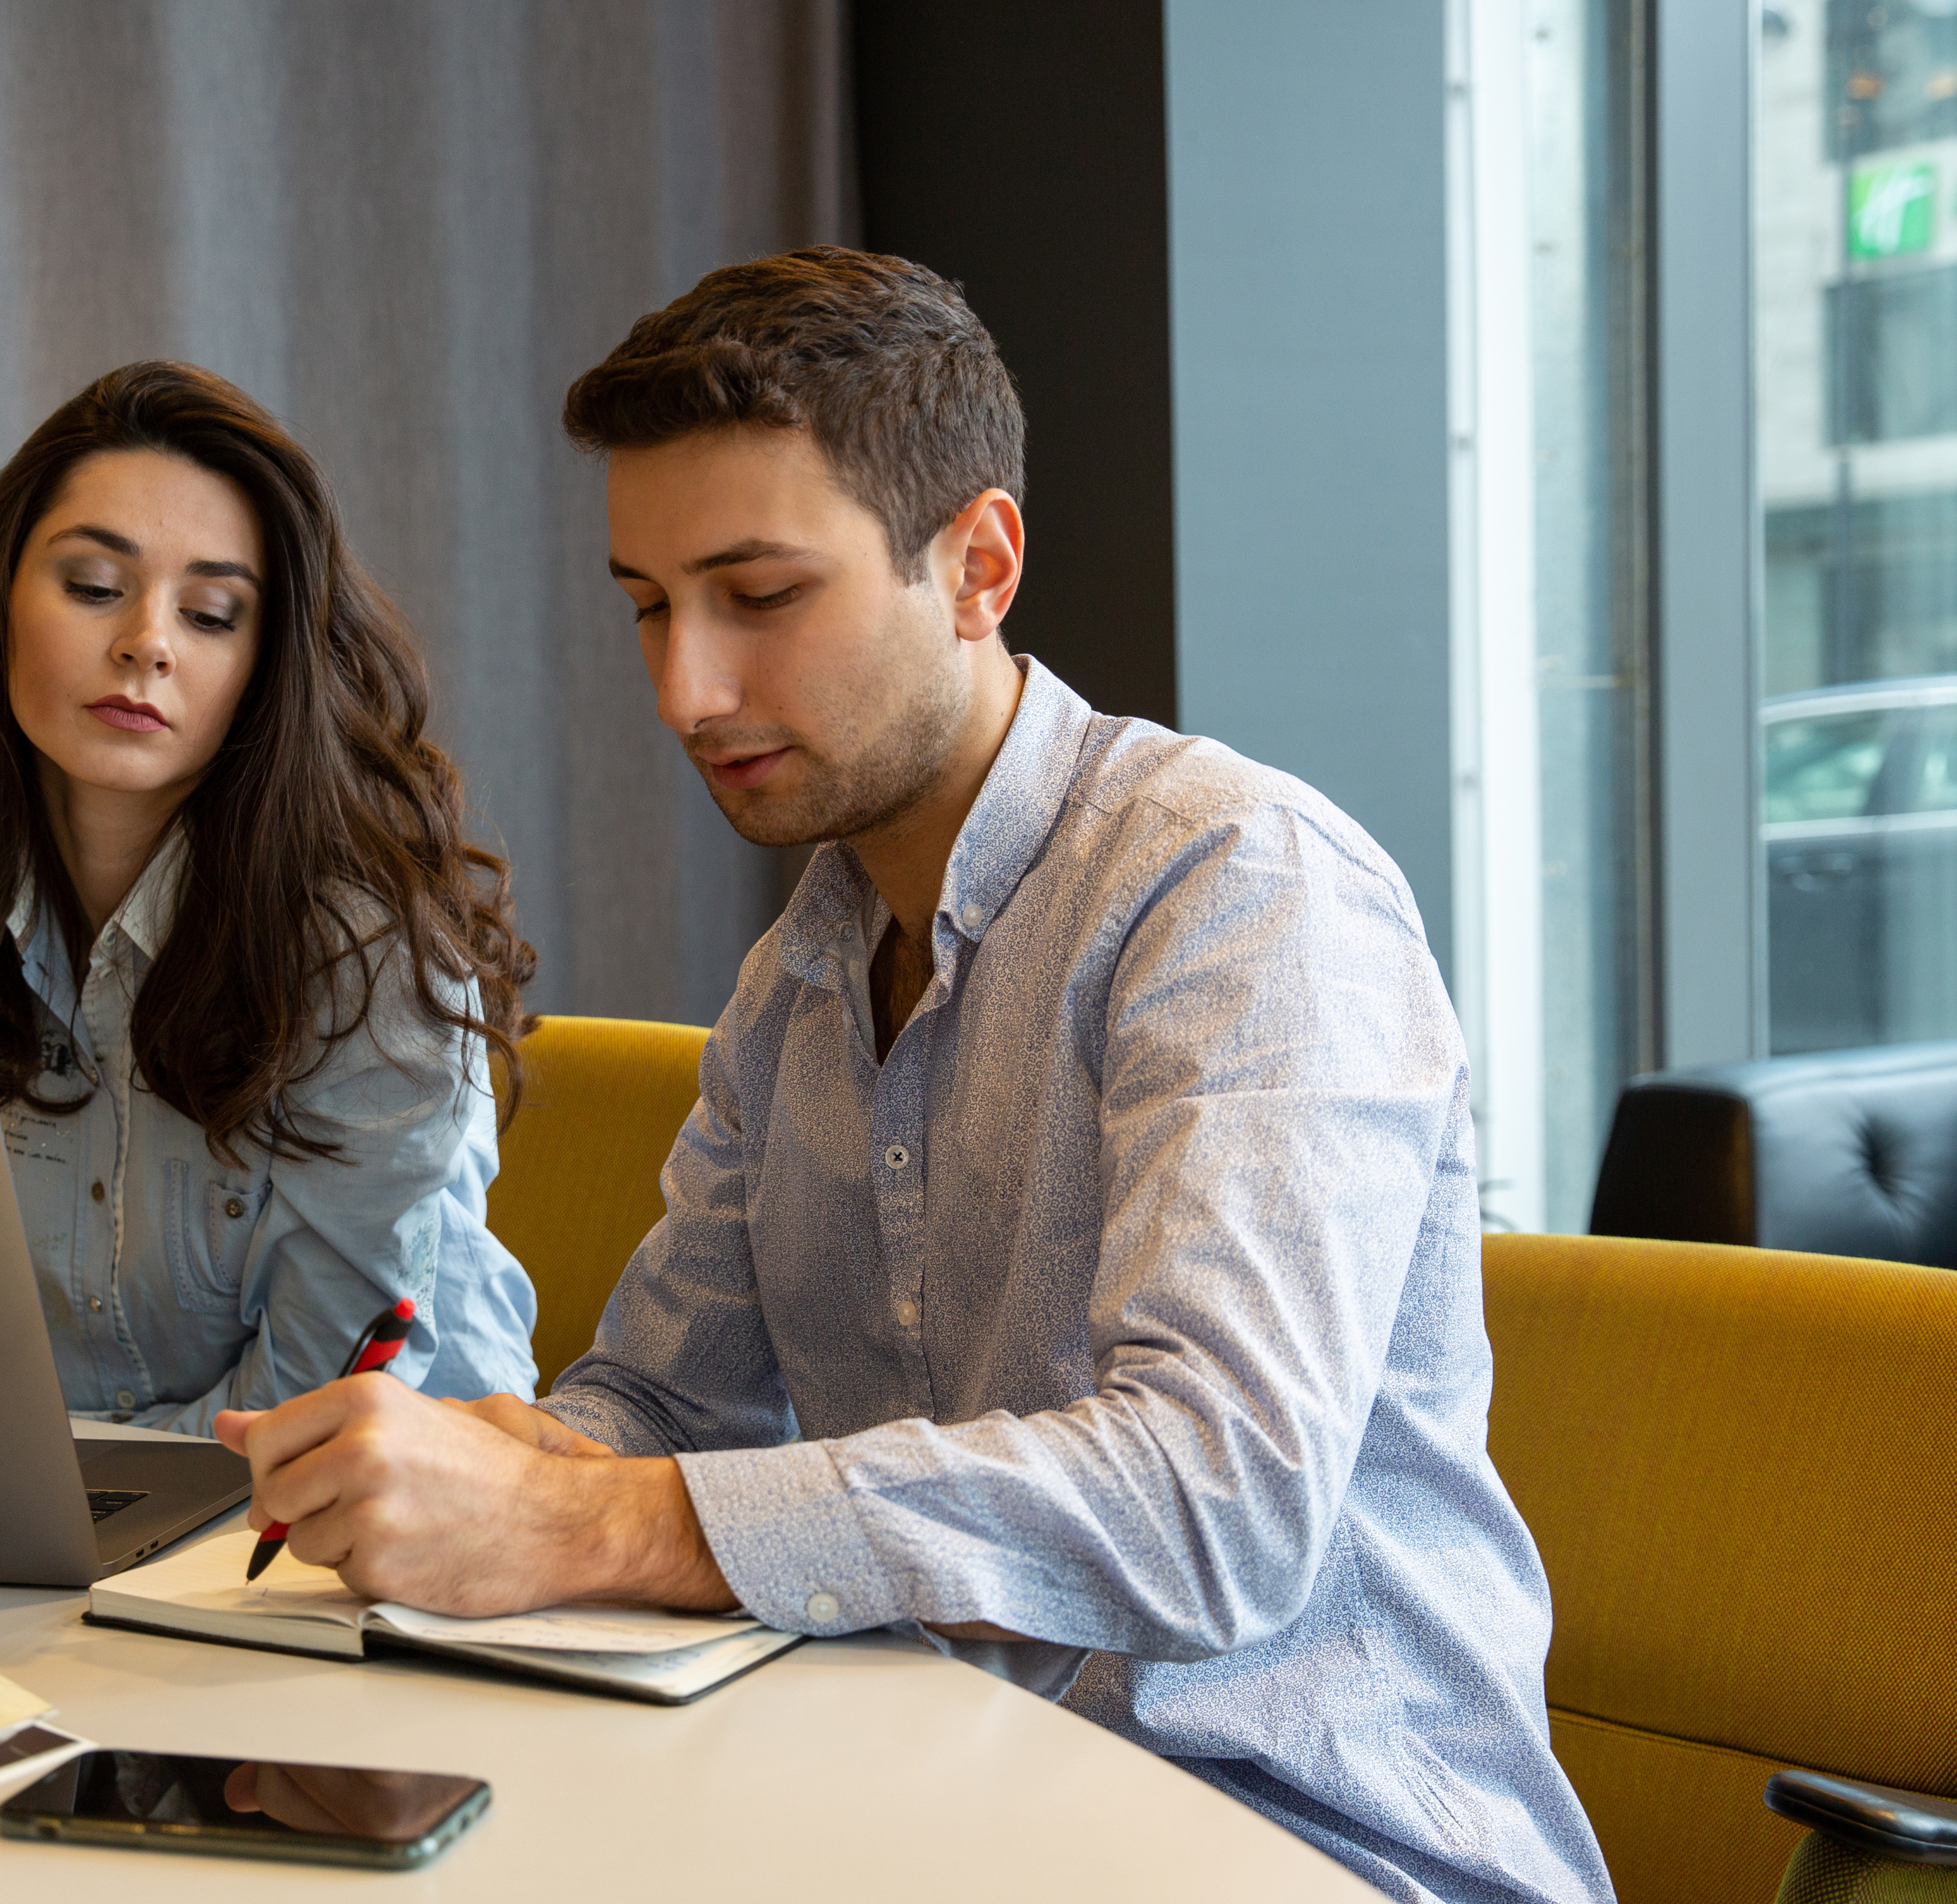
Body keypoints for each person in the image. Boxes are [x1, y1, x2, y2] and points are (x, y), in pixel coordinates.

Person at [213, 252, 1613, 1904]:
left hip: (1316, 1849)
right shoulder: (799, 972)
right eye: (649, 605)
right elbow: (663, 1405)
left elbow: (1216, 1502)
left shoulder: (1239, 889)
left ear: (976, 564)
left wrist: (588, 1524)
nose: (685, 689)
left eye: (758, 594)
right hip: (940, 1813)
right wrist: (484, 1460)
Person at [0, 360, 540, 1438]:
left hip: (362, 1547)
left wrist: (61, 1488)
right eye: (94, 588)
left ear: (268, 662)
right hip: (76, 1529)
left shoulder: (361, 954)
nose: (148, 641)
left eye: (214, 613)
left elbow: (319, 1409)